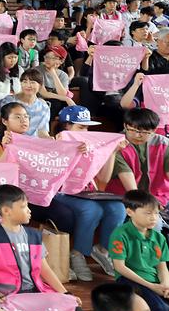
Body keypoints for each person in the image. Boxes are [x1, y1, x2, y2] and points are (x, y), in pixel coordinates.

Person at [0, 184, 89, 311]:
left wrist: (65, 293)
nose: (29, 210)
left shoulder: (34, 236)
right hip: (9, 297)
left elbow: (44, 269)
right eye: (24, 206)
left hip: (37, 293)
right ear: (6, 211)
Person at [105, 108, 169, 248]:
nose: (137, 135)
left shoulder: (163, 143)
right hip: (128, 200)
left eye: (144, 132)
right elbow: (133, 190)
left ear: (154, 130)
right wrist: (151, 208)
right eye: (132, 130)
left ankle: (167, 262)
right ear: (125, 126)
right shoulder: (117, 145)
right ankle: (150, 264)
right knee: (154, 224)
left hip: (160, 197)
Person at [54, 105, 126, 281]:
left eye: (87, 127)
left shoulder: (91, 146)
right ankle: (77, 254)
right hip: (61, 192)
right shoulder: (54, 142)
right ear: (66, 127)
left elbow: (103, 178)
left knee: (118, 208)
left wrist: (112, 152)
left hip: (87, 192)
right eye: (80, 127)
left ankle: (103, 250)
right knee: (92, 210)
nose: (85, 131)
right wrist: (66, 149)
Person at [0, 69, 51, 137]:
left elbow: (42, 132)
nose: (28, 85)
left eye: (32, 82)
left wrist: (49, 139)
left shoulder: (44, 107)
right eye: (25, 82)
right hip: (11, 140)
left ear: (40, 85)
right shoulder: (8, 101)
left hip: (32, 144)